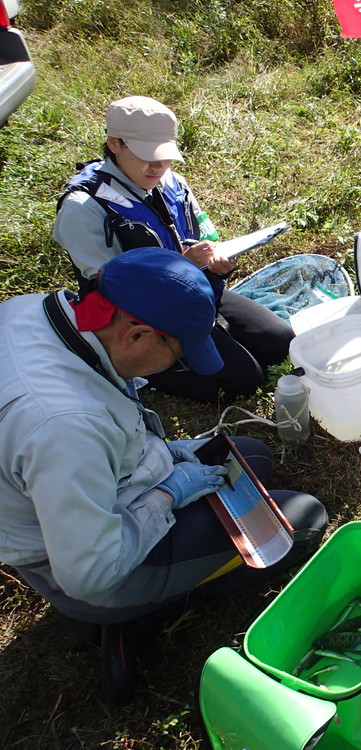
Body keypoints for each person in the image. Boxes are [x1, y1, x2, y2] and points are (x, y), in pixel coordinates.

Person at [0, 247, 329, 701]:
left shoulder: (35, 312)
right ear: (136, 335)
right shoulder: (66, 426)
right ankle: (132, 614)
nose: (177, 369)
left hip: (89, 498)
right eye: (177, 356)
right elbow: (91, 572)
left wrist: (167, 454)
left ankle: (139, 598)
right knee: (301, 519)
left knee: (250, 456)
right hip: (89, 568)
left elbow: (102, 427)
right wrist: (169, 494)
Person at [52, 95, 294, 402]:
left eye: (165, 155)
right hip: (144, 318)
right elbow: (112, 288)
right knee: (245, 379)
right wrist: (183, 267)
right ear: (114, 144)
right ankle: (144, 368)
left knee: (282, 343)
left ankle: (205, 334)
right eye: (146, 155)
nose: (158, 166)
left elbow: (201, 232)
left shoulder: (171, 181)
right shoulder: (83, 208)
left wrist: (216, 258)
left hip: (198, 290)